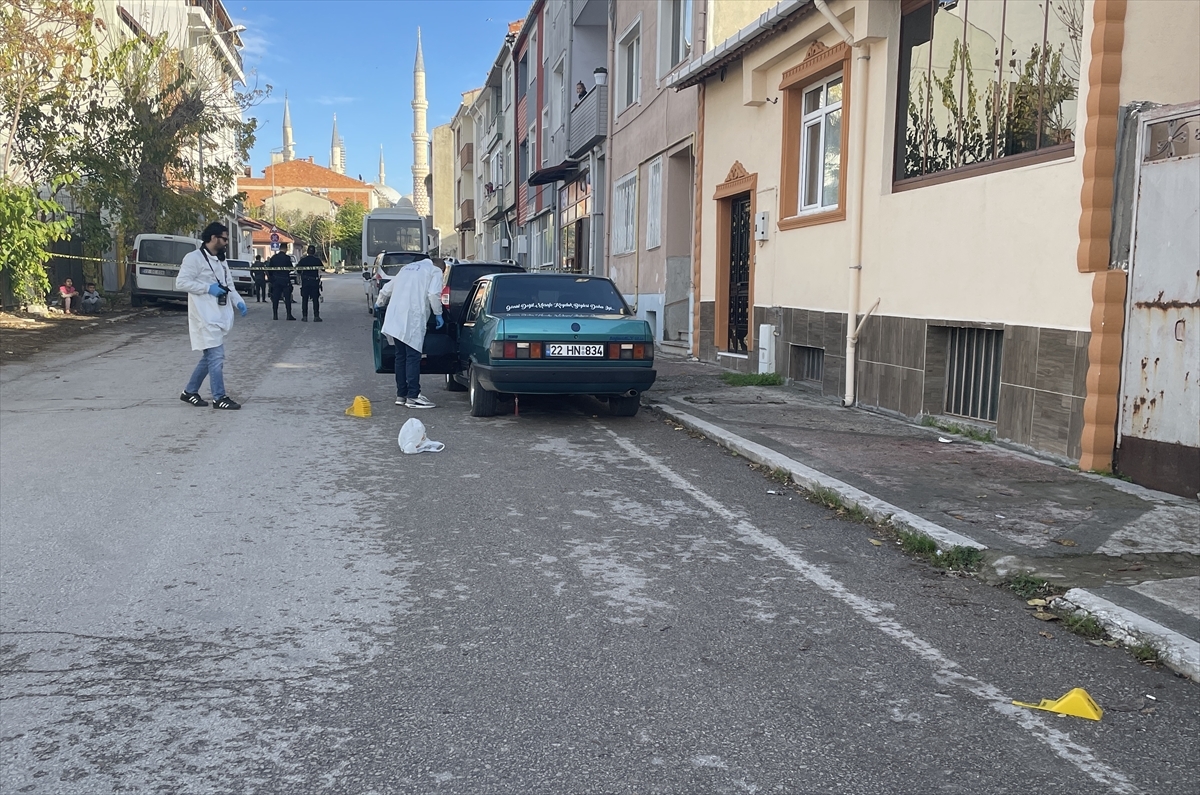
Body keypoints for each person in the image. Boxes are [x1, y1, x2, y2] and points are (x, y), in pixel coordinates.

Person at [175, 221, 248, 410]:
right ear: (213, 238)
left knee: (209, 357)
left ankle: (190, 391)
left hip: (220, 315)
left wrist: (238, 301)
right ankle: (219, 397)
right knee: (216, 356)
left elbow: (228, 285)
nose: (226, 243)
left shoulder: (221, 260)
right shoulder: (194, 258)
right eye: (224, 239)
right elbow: (181, 283)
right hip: (204, 316)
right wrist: (208, 288)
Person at [375, 257, 443, 408]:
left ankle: (401, 395)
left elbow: (386, 289)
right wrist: (438, 313)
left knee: (401, 356)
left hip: (395, 317)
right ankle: (413, 396)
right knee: (413, 357)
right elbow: (433, 294)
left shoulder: (406, 268)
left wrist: (379, 303)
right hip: (413, 317)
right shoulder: (435, 271)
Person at [267, 243, 296, 320]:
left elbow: (270, 269)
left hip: (276, 280)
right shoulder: (287, 258)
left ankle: (275, 315)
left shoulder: (274, 258)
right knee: (287, 298)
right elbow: (291, 268)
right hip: (285, 280)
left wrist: (272, 278)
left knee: (275, 298)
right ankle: (289, 315)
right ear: (286, 249)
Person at [296, 245, 323, 322]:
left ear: (307, 251)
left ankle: (304, 316)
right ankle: (316, 316)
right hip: (314, 282)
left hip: (305, 282)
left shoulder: (303, 260)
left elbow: (298, 270)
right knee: (315, 299)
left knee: (305, 299)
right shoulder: (317, 260)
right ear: (314, 252)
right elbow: (323, 268)